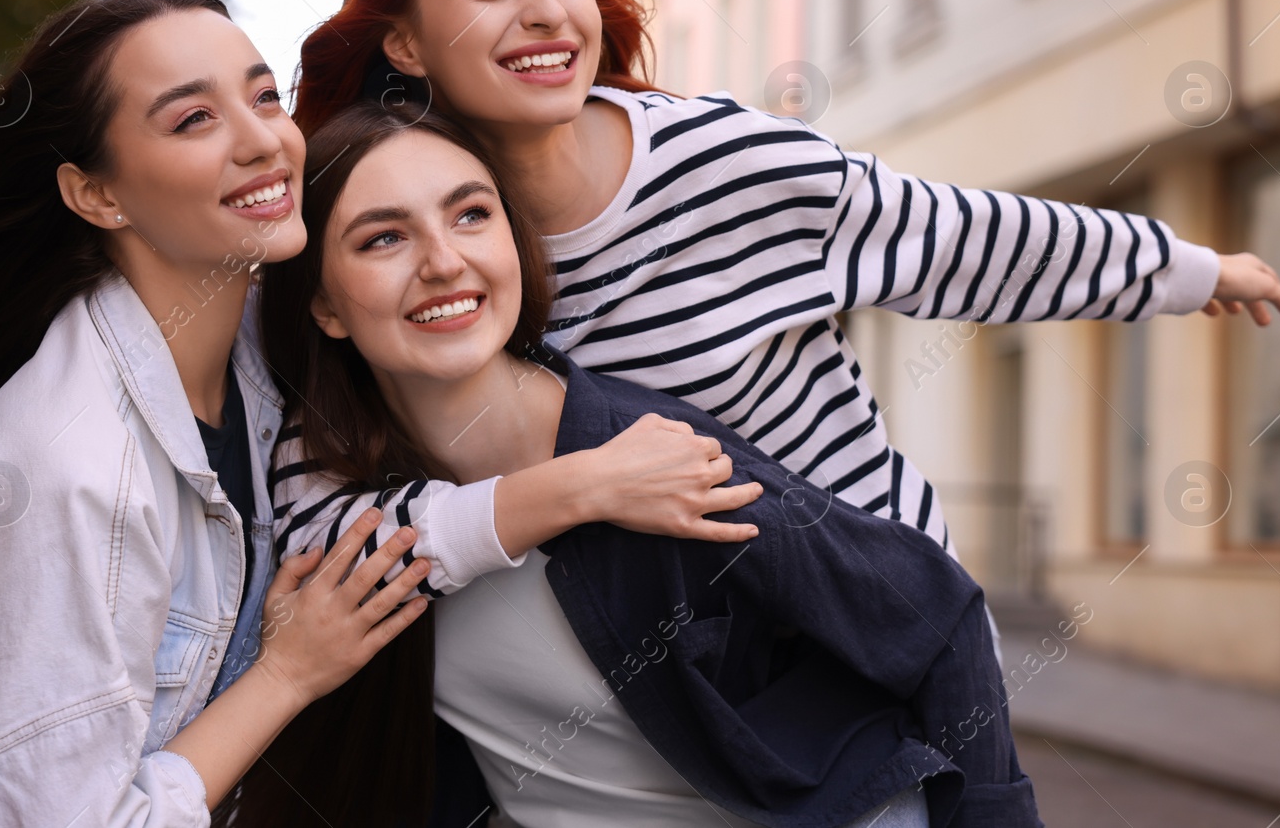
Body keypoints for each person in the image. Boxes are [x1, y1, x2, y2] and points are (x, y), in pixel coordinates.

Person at [0, 0, 758, 825]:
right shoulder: (69, 468)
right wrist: (289, 672)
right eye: (192, 119)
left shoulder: (260, 350)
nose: (264, 140)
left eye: (263, 97)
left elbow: (384, 508)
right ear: (96, 194)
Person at [287, 0, 1280, 583]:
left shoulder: (726, 162)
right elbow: (319, 496)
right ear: (406, 44)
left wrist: (1188, 268)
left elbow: (957, 238)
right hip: (676, 688)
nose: (549, 12)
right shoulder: (413, 241)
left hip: (876, 618)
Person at [259, 100, 1041, 827]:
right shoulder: (344, 506)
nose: (441, 261)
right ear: (323, 303)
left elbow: (936, 613)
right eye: (383, 237)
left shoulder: (655, 462)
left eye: (471, 214)